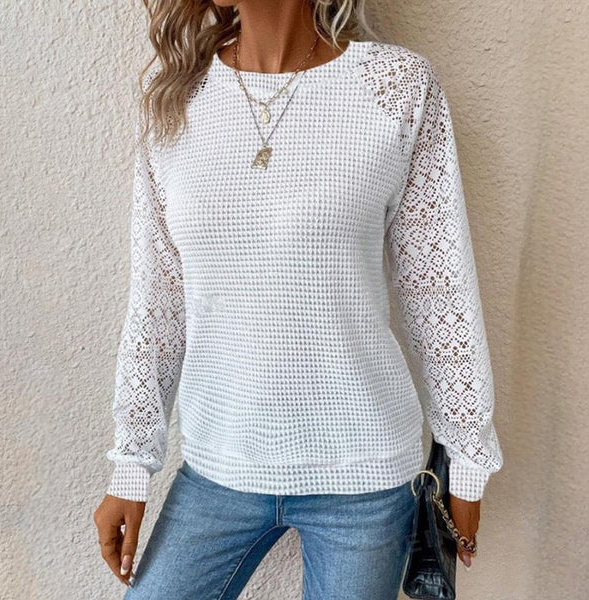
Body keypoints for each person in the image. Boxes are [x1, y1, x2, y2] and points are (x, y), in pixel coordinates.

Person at [93, 1, 504, 598]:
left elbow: (438, 288)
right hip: (219, 466)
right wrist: (131, 466)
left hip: (364, 475)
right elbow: (158, 302)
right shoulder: (176, 97)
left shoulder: (396, 87)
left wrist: (466, 458)